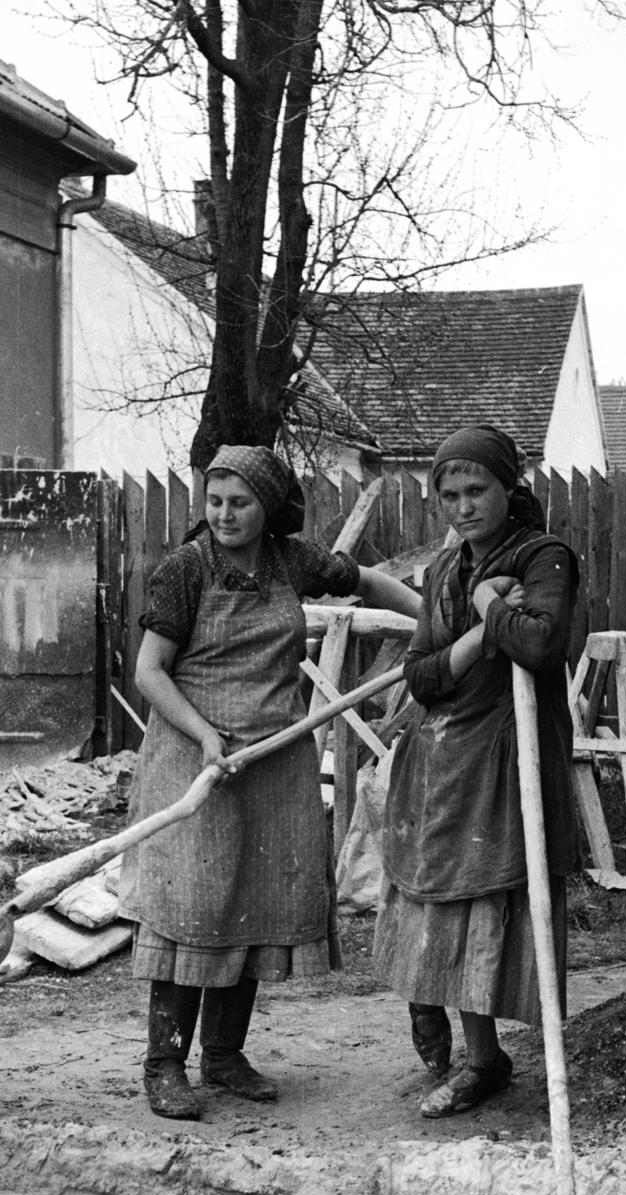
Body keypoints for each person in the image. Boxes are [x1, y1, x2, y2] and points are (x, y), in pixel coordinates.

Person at [121, 444, 422, 1120]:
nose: (225, 515)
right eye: (216, 501)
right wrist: (204, 736)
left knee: (252, 906)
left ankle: (224, 1058)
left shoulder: (292, 561)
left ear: (267, 508)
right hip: (197, 761)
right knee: (193, 911)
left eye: (240, 503)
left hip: (276, 759)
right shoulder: (184, 571)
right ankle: (164, 1063)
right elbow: (149, 672)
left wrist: (430, 615)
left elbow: (366, 581)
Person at [373, 424, 580, 1119]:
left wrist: (497, 605)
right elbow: (423, 677)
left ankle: (485, 1059)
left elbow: (541, 644)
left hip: (504, 755)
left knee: (479, 905)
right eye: (449, 495)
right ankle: (442, 1022)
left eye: (476, 491)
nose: (463, 508)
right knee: (431, 894)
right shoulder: (444, 571)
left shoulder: (545, 558)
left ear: (508, 489)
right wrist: (479, 628)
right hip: (439, 758)